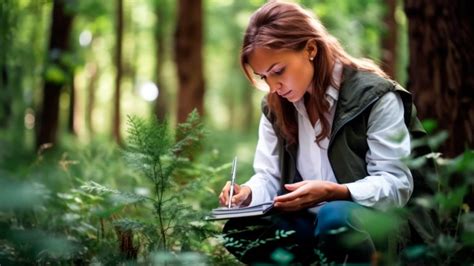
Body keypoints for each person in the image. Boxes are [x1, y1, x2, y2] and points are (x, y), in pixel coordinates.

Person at [218, 0, 428, 264]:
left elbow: (396, 184)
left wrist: (335, 192)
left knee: (335, 217)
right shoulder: (277, 105)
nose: (273, 86)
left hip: (374, 229)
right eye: (264, 77)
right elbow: (270, 176)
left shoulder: (375, 96)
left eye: (278, 71)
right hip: (311, 225)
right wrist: (247, 193)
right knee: (243, 231)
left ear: (310, 49)